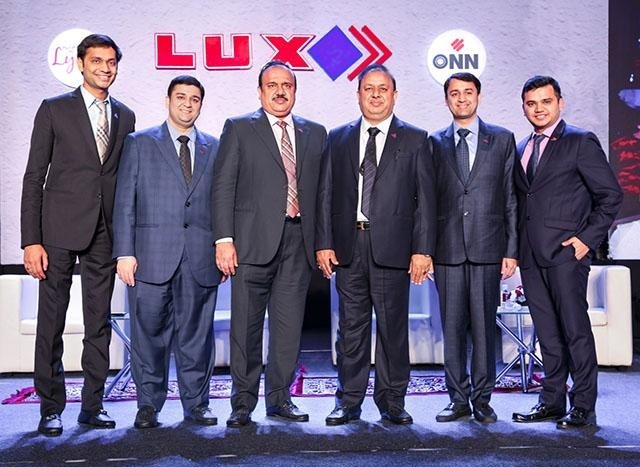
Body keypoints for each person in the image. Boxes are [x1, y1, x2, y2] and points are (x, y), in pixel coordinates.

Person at [20, 34, 135, 436]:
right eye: (97, 61)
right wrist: (31, 240)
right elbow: (34, 177)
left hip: (104, 231)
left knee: (98, 323)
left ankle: (92, 405)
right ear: (81, 64)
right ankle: (50, 407)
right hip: (57, 231)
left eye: (111, 62)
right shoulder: (54, 109)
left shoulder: (125, 116)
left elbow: (121, 180)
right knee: (51, 322)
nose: (105, 68)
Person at [316, 64, 436, 426]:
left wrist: (422, 250)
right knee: (350, 330)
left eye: (383, 89)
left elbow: (426, 201)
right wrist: (324, 243)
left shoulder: (415, 139)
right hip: (349, 246)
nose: (376, 95)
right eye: (368, 88)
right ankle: (348, 401)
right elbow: (325, 194)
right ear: (358, 95)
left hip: (394, 249)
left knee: (392, 329)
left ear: (394, 95)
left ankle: (392, 401)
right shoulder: (338, 137)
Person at [212, 60, 327, 427]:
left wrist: (322, 243)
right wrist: (224, 239)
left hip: (298, 241)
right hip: (250, 244)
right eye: (272, 85)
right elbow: (223, 186)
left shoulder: (315, 132)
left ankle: (280, 399)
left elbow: (322, 194)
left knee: (288, 328)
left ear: (295, 91)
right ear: (260, 91)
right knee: (245, 329)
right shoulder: (239, 128)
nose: (280, 91)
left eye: (286, 85)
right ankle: (242, 404)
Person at [511, 76, 623, 428]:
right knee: (547, 334)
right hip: (531, 256)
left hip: (566, 255)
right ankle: (552, 401)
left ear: (559, 103)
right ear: (524, 107)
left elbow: (610, 195)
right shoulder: (521, 146)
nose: (538, 109)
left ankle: (583, 406)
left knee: (575, 331)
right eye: (531, 103)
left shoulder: (579, 141)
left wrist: (586, 239)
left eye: (545, 101)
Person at [113, 75, 221, 429]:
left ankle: (197, 405)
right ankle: (148, 405)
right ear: (168, 100)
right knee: (148, 337)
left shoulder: (214, 146)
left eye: (194, 99)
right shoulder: (140, 143)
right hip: (150, 256)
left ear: (200, 104)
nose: (187, 104)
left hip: (200, 258)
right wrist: (124, 252)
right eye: (181, 97)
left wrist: (223, 246)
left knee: (197, 337)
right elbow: (124, 202)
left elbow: (223, 203)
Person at [430, 72, 518, 424]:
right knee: (452, 331)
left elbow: (510, 198)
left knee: (483, 330)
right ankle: (457, 399)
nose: (462, 98)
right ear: (446, 100)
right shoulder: (434, 142)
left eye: (468, 92)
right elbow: (427, 200)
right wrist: (425, 251)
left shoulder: (502, 139)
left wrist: (511, 249)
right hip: (447, 250)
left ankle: (482, 399)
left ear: (478, 96)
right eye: (454, 93)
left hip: (488, 248)